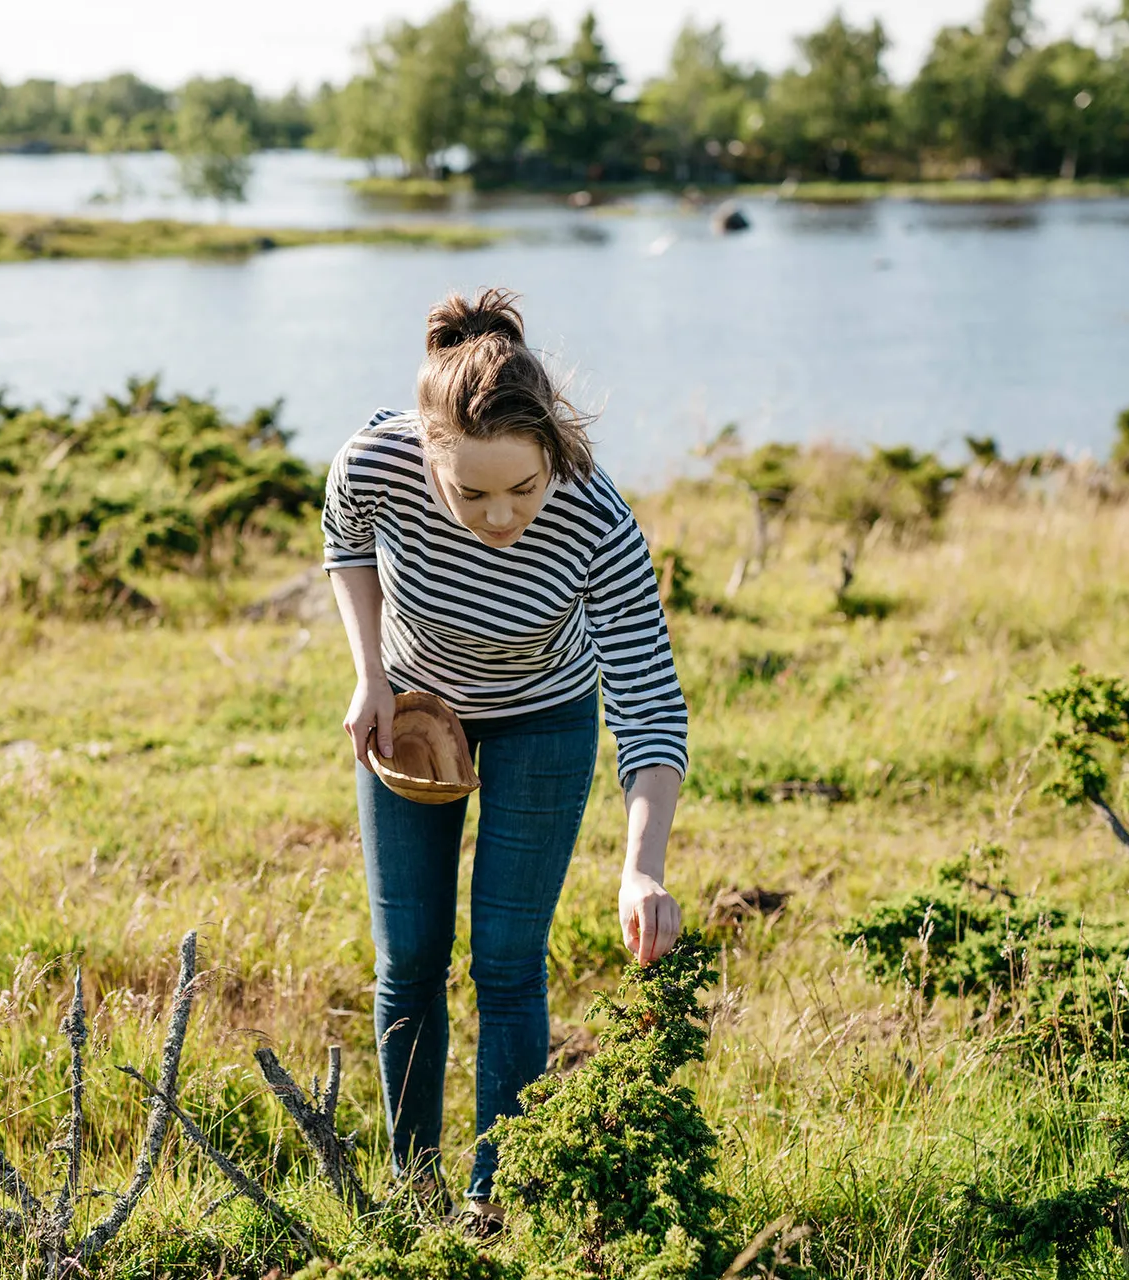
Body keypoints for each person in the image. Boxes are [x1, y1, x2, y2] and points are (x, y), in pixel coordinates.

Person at [321, 286, 689, 1224]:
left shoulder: (595, 516)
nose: (498, 517)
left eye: (521, 490)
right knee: (409, 959)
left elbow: (649, 702)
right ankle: (414, 1194)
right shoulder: (377, 460)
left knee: (510, 963)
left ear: (553, 453)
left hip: (543, 719)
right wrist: (370, 674)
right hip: (414, 714)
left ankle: (498, 1201)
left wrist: (642, 870)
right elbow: (345, 535)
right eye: (470, 494)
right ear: (427, 454)